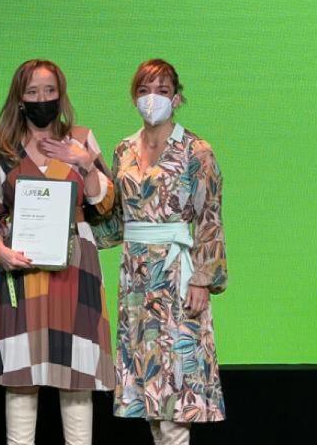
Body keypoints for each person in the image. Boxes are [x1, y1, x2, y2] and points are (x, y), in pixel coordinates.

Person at [0, 59, 116, 445]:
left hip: (75, 267)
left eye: (50, 91)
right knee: (21, 376)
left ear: (61, 94)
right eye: (33, 91)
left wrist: (85, 164)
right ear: (20, 98)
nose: (43, 98)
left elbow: (106, 205)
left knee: (76, 376)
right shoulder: (5, 146)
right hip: (20, 269)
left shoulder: (81, 139)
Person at [96, 58, 227, 445]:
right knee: (150, 391)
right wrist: (72, 235)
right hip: (135, 278)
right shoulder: (123, 149)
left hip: (175, 276)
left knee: (175, 392)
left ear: (177, 98)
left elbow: (209, 217)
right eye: (144, 90)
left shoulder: (196, 151)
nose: (152, 98)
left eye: (162, 90)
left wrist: (202, 280)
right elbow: (116, 220)